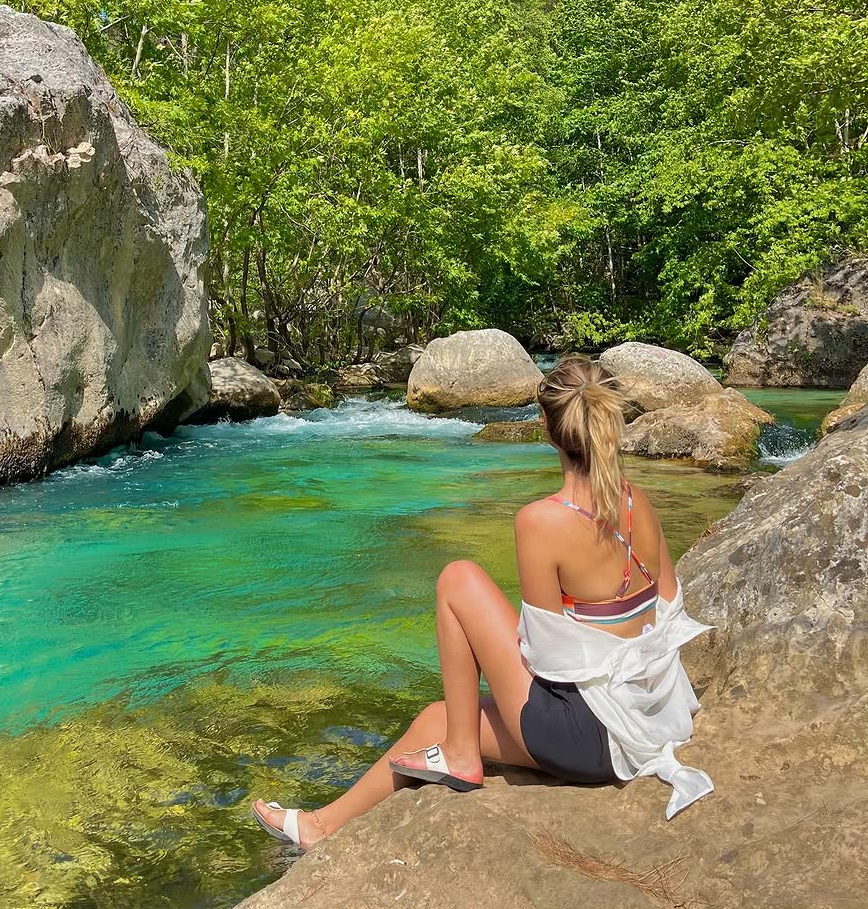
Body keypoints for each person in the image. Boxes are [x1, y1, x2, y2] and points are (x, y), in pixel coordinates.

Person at [252, 354, 713, 850]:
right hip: (654, 715)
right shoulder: (636, 500)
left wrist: (493, 647)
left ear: (547, 427)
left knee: (459, 579)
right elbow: (669, 608)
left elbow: (547, 658)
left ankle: (458, 756)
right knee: (440, 719)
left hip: (586, 738)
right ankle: (322, 827)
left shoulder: (542, 520)